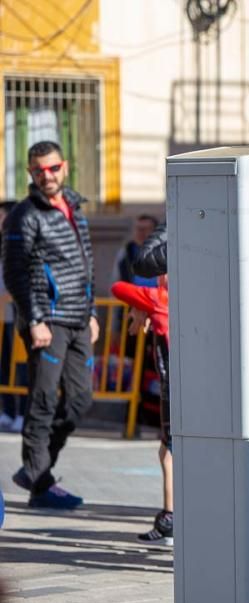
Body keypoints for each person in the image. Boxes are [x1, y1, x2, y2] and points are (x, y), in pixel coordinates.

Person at [3, 141, 99, 510]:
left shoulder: (75, 207)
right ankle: (39, 483)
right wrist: (36, 320)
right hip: (47, 320)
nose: (47, 175)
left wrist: (91, 312)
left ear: (65, 167)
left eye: (53, 168)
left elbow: (85, 264)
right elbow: (14, 273)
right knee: (43, 399)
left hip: (77, 318)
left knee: (79, 400)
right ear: (30, 172)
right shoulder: (24, 215)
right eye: (39, 170)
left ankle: (35, 472)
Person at [114, 218, 173, 546]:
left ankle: (170, 517)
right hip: (184, 377)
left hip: (173, 381)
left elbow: (119, 288)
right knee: (172, 450)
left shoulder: (159, 301)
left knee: (169, 452)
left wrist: (142, 306)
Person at [0, 200, 26, 433]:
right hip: (3, 317)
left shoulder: (23, 243)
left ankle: (22, 412)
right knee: (4, 365)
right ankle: (7, 410)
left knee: (22, 366)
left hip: (20, 315)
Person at [110, 214, 159, 287]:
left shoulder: (163, 253)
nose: (141, 233)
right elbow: (115, 281)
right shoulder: (125, 252)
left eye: (145, 229)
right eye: (138, 229)